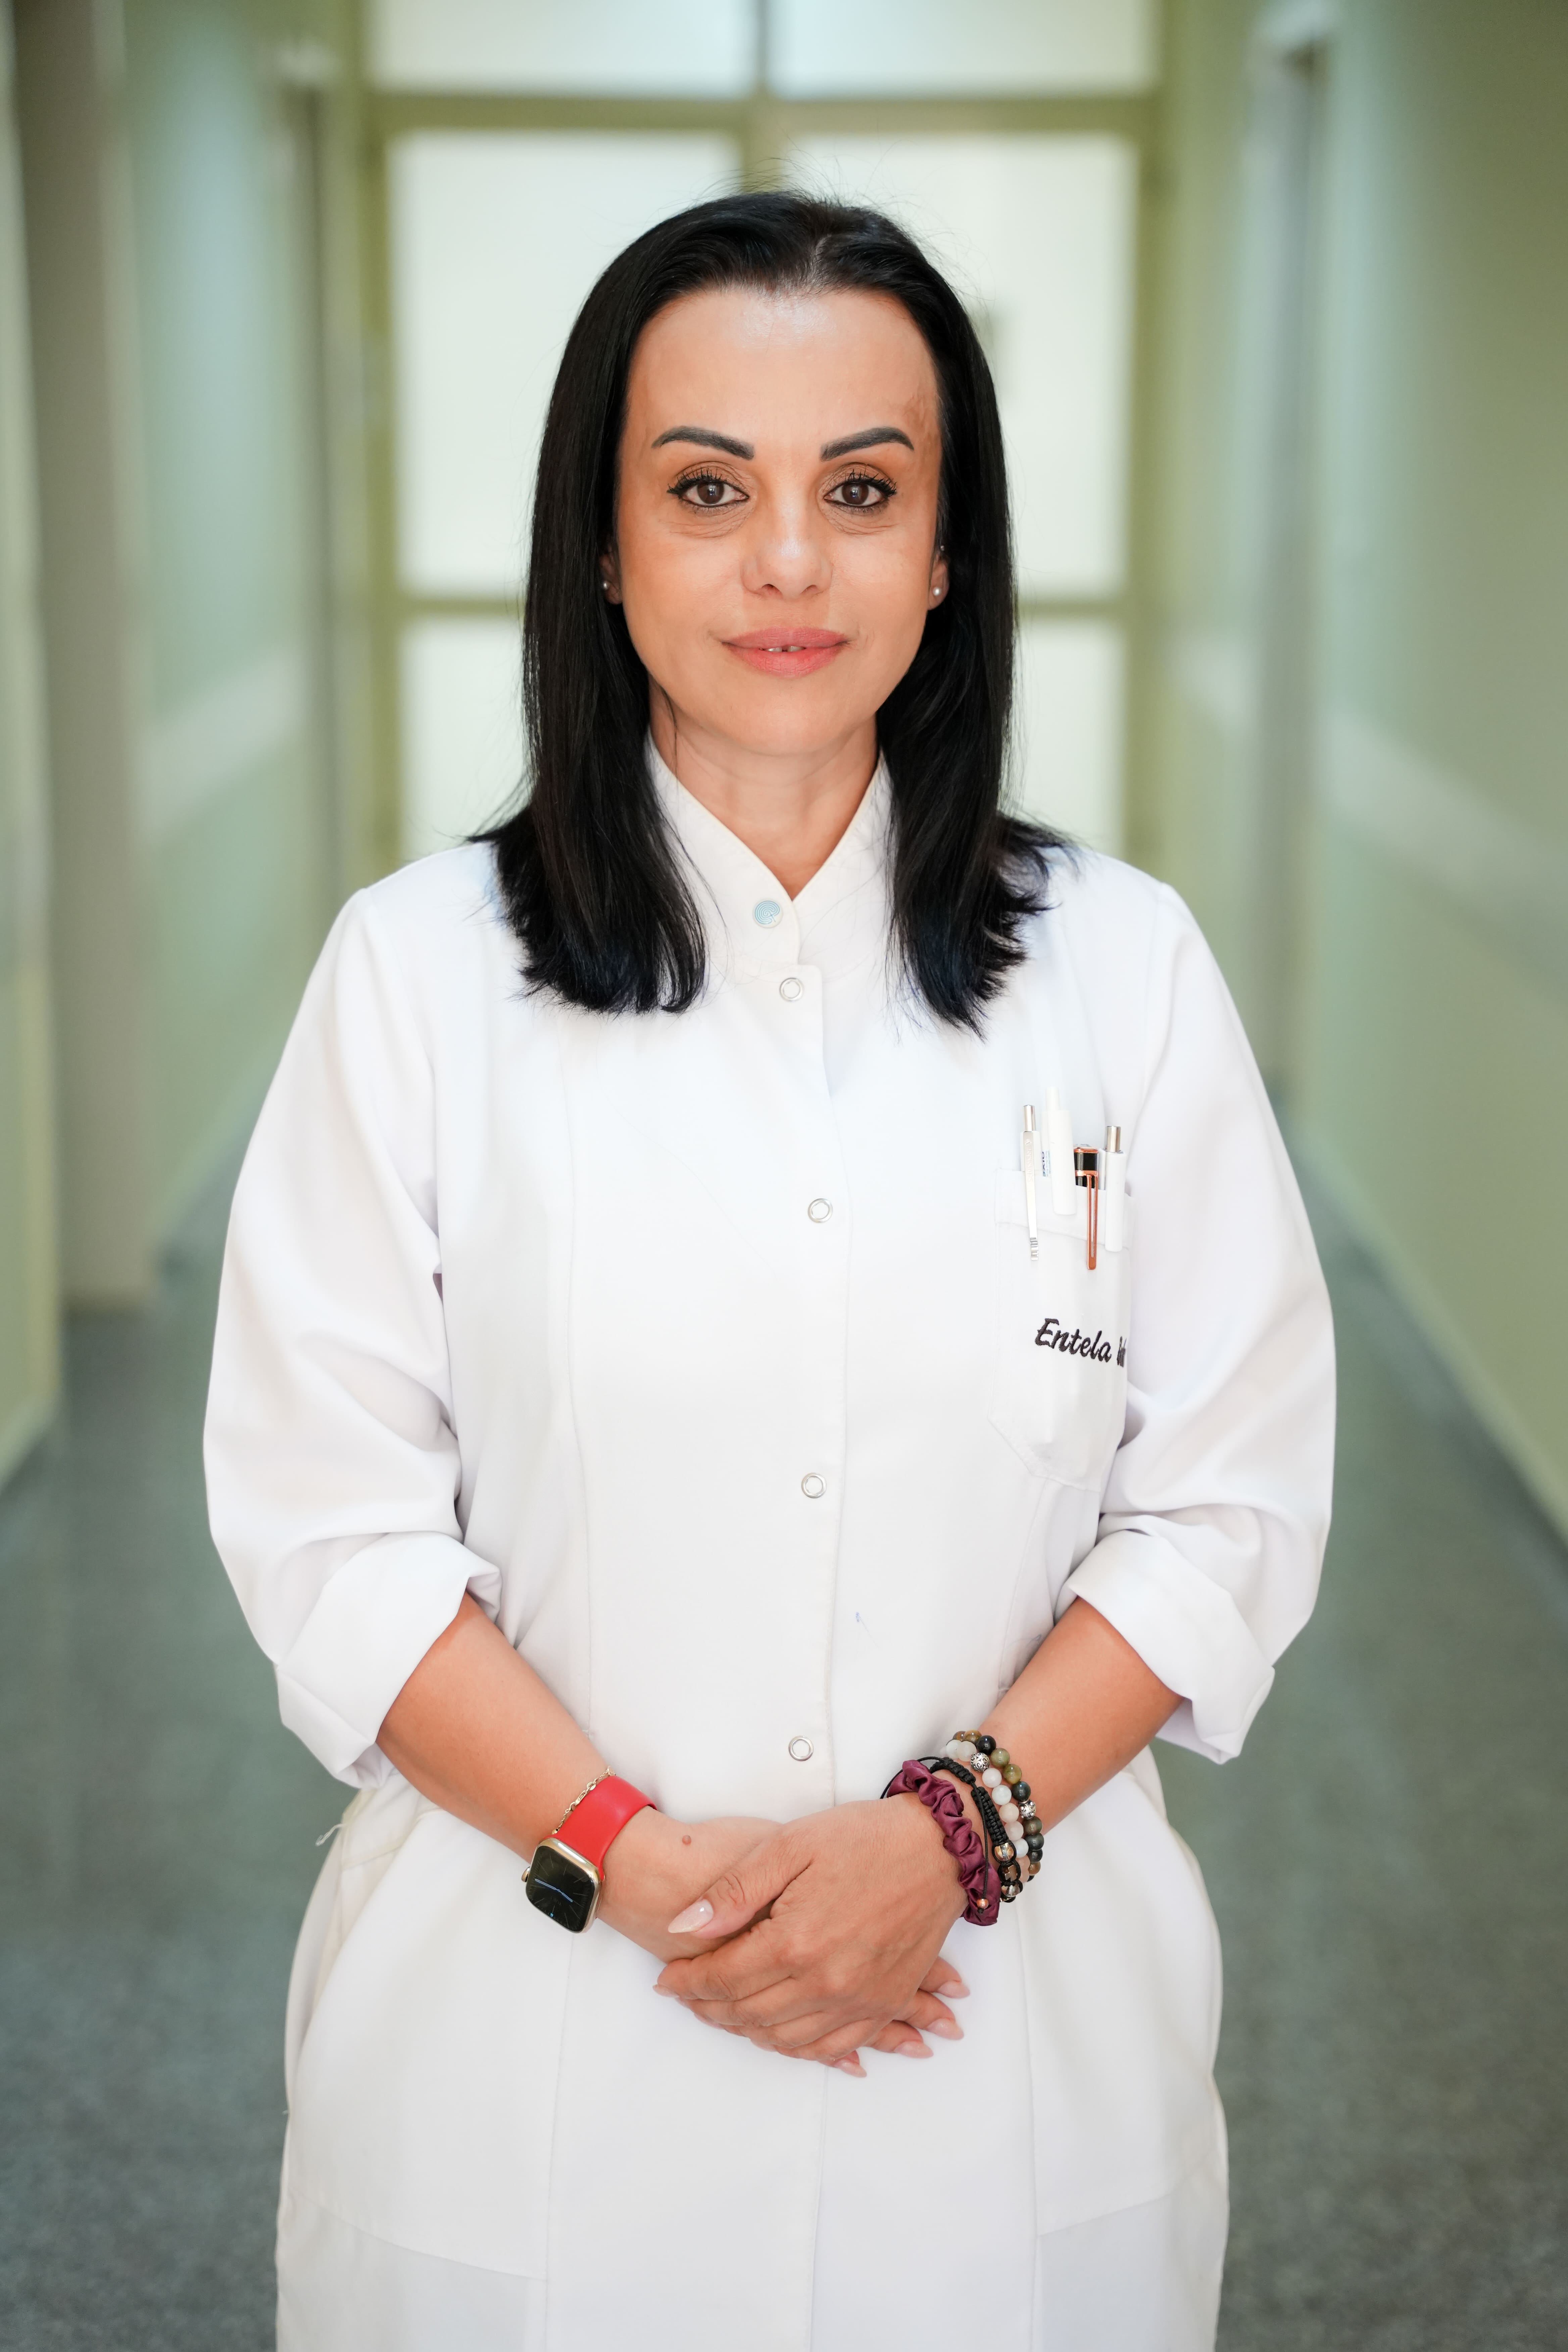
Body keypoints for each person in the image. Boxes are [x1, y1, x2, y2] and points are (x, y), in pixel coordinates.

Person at [205, 191, 1335, 2352]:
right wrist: (635, 1861)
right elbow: (328, 1530)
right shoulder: (415, 979)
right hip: (529, 2037)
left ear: (950, 552)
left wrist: (946, 1841)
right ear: (604, 544)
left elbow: (1230, 1502)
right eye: (709, 490)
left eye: (866, 492)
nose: (791, 563)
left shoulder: (1126, 971)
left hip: (1007, 2047)